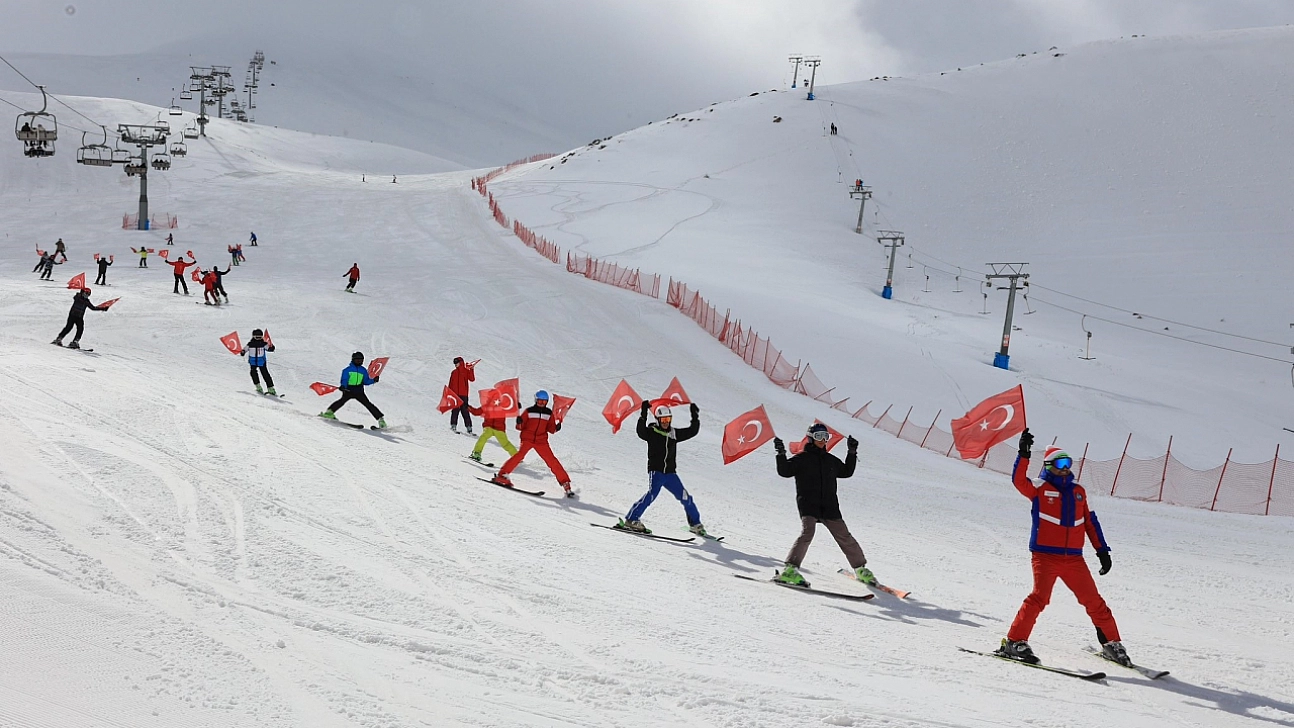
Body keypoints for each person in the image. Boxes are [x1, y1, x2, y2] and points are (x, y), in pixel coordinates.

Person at [995, 429, 1130, 667]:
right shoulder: (1038, 487)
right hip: (1045, 556)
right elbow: (1018, 481)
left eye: (1068, 462)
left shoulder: (1078, 492)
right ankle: (1014, 642)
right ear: (1048, 465)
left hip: (1074, 560)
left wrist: (1102, 551)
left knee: (1095, 602)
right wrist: (1023, 453)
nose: (1066, 467)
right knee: (1039, 598)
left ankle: (1112, 644)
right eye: (1060, 463)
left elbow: (1089, 522)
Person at [772, 424, 868, 588]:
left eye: (825, 436)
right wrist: (781, 453)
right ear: (811, 438)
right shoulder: (802, 459)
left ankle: (861, 570)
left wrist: (851, 452)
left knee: (845, 536)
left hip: (830, 506)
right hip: (809, 504)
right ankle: (790, 570)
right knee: (807, 534)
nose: (823, 440)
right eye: (819, 436)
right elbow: (785, 471)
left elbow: (846, 471)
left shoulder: (829, 460)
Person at [619, 402, 708, 536]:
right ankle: (631, 519)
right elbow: (640, 432)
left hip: (671, 474)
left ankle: (696, 524)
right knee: (651, 495)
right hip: (657, 472)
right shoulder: (652, 432)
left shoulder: (673, 433)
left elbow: (692, 431)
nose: (666, 422)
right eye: (663, 420)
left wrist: (694, 417)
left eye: (668, 419)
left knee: (686, 498)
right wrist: (643, 414)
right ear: (658, 420)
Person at [491, 391, 573, 497]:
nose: (541, 403)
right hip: (527, 439)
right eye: (539, 401)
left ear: (547, 402)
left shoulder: (548, 413)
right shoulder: (529, 411)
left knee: (552, 460)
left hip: (541, 441)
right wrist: (519, 422)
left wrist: (556, 428)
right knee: (519, 456)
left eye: (544, 401)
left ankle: (565, 483)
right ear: (536, 400)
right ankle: (502, 475)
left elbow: (550, 429)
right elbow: (520, 427)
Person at [319, 352, 386, 428]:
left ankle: (381, 420)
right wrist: (343, 386)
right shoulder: (347, 370)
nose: (359, 361)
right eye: (357, 360)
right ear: (353, 360)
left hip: (359, 391)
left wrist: (373, 380)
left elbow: (366, 381)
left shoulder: (363, 370)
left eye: (361, 360)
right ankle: (329, 413)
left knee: (368, 404)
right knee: (342, 401)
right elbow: (344, 379)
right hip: (349, 390)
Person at [467, 398, 518, 463]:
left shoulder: (503, 406)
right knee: (483, 438)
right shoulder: (487, 406)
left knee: (505, 443)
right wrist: (468, 407)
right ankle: (476, 453)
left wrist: (515, 405)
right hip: (489, 427)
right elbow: (476, 412)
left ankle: (516, 456)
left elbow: (511, 409)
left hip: (499, 429)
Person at [240, 329, 276, 395]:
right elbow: (245, 349)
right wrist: (243, 352)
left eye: (260, 337)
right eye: (257, 337)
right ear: (253, 337)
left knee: (265, 374)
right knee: (253, 373)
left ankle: (271, 388)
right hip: (253, 361)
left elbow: (269, 348)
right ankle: (258, 386)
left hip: (261, 361)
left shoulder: (263, 344)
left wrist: (271, 348)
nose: (259, 339)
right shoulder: (250, 344)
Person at [447, 357, 475, 434]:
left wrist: (471, 369)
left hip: (464, 395)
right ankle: (453, 426)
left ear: (461, 362)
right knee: (455, 410)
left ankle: (469, 428)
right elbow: (450, 384)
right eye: (454, 363)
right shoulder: (454, 372)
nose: (455, 365)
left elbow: (472, 379)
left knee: (465, 411)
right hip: (455, 395)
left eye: (456, 363)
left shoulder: (466, 371)